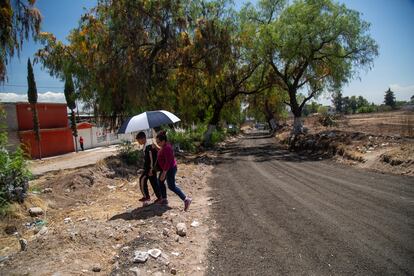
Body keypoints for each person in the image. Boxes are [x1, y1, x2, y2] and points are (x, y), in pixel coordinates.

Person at [156, 130, 192, 211]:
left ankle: (186, 199)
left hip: (170, 169)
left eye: (158, 142)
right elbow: (162, 153)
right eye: (157, 142)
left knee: (171, 186)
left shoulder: (167, 148)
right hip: (166, 168)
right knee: (160, 181)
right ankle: (164, 199)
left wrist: (164, 173)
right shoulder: (164, 147)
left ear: (163, 141)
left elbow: (168, 161)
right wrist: (157, 148)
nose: (157, 143)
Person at [136, 131, 161, 205]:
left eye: (138, 140)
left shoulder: (149, 146)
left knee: (142, 180)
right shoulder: (146, 145)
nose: (138, 142)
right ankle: (160, 197)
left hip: (150, 169)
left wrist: (151, 169)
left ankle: (146, 196)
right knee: (154, 182)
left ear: (143, 138)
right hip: (149, 168)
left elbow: (152, 158)